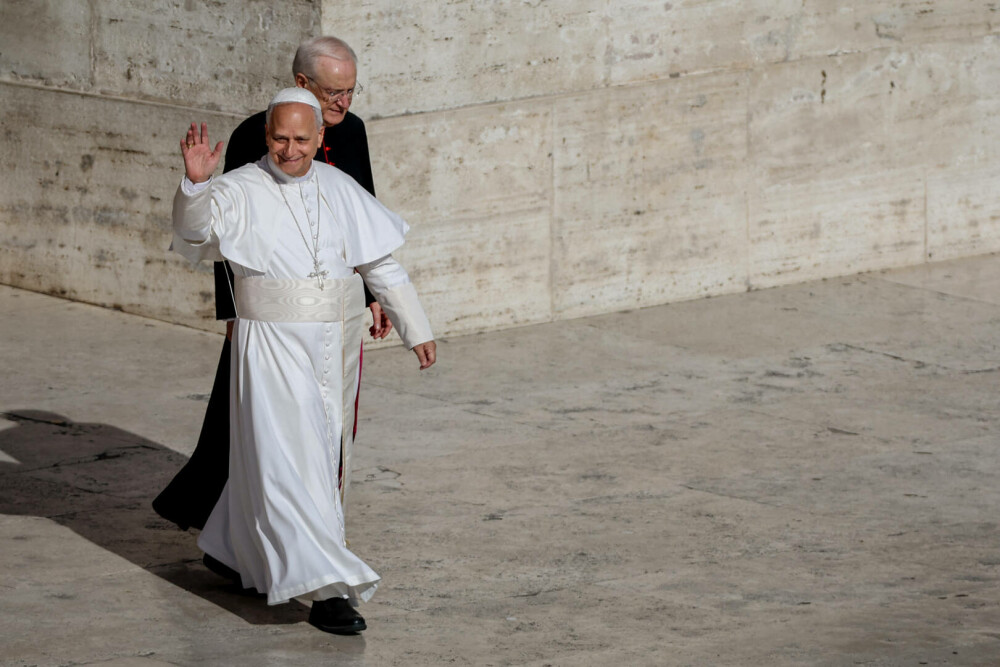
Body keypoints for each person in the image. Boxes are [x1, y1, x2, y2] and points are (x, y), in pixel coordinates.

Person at [171, 88, 436, 633]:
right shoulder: (239, 187)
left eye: (300, 139)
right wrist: (196, 184)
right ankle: (326, 587)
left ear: (320, 137)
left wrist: (415, 326)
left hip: (334, 345)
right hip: (271, 346)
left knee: (319, 456)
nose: (289, 150)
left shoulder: (339, 186)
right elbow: (194, 233)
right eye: (279, 138)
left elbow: (379, 264)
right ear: (265, 136)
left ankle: (231, 546)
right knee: (292, 461)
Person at [153, 36, 388, 532]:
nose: (343, 102)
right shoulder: (251, 136)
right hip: (266, 307)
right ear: (302, 84)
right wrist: (233, 315)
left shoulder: (354, 132)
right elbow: (230, 236)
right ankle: (217, 517)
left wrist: (374, 294)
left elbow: (363, 216)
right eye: (333, 92)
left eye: (350, 91)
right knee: (241, 419)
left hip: (328, 310)